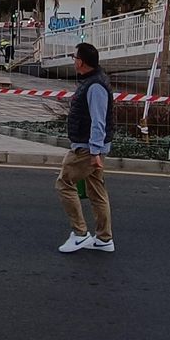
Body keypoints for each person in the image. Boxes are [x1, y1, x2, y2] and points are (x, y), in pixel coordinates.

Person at [55, 42, 114, 254]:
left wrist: (95, 151)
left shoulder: (95, 86)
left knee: (64, 183)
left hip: (86, 148)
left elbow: (98, 121)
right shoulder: (93, 81)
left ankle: (80, 234)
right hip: (92, 146)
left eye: (75, 57)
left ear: (81, 62)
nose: (73, 61)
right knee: (96, 190)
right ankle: (104, 238)